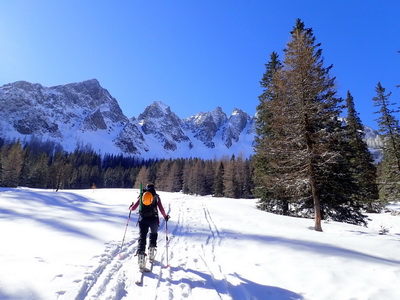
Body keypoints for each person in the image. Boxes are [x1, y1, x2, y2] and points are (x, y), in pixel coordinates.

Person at [129, 183, 170, 268]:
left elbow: (133, 208)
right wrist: (165, 216)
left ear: (146, 188)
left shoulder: (142, 196)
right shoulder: (157, 197)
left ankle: (141, 256)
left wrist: (130, 207)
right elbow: (161, 208)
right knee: (153, 234)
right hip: (153, 219)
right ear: (154, 188)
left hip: (143, 220)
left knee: (142, 236)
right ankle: (151, 251)